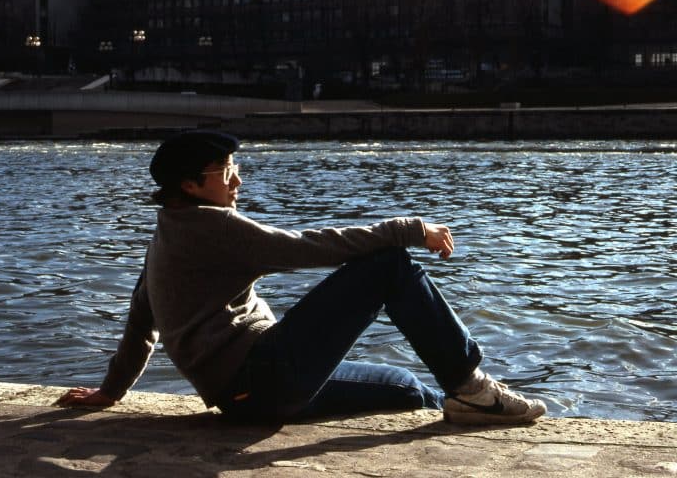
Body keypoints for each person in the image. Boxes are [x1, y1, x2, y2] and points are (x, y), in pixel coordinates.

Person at [58, 130, 547, 425]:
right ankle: (472, 386)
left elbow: (142, 318)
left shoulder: (167, 232)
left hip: (246, 398)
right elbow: (309, 247)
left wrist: (113, 391)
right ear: (190, 185)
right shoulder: (214, 227)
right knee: (388, 265)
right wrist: (409, 229)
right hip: (262, 378)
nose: (237, 179)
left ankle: (461, 400)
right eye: (224, 171)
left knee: (406, 388)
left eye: (235, 167)